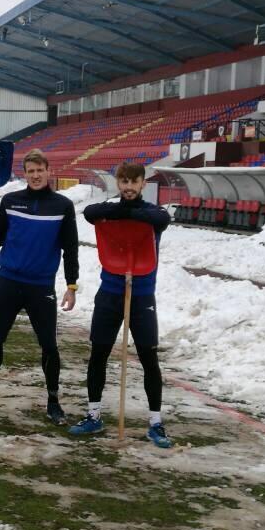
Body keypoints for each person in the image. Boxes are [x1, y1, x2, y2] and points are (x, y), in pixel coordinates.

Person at [0, 149, 79, 424]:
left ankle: (53, 401)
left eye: (40, 170)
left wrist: (71, 285)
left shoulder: (62, 206)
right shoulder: (11, 201)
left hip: (41, 286)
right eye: (31, 171)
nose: (36, 175)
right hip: (9, 281)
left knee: (49, 345)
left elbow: (70, 249)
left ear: (49, 171)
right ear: (25, 173)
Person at [69, 161, 174, 448]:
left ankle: (155, 423)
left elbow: (161, 220)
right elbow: (91, 213)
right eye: (124, 182)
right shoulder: (109, 208)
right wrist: (122, 210)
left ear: (143, 184)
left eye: (134, 182)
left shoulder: (154, 214)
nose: (128, 187)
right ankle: (93, 414)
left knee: (148, 357)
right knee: (99, 352)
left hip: (142, 295)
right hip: (110, 292)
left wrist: (129, 212)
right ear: (118, 183)